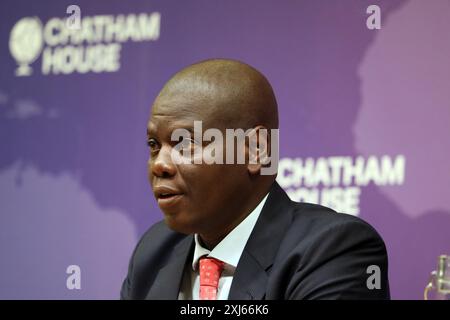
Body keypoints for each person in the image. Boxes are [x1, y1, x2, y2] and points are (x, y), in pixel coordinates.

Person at [120, 59, 390, 300]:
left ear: (255, 150)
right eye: (154, 144)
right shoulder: (154, 252)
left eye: (185, 143)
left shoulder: (334, 251)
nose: (160, 164)